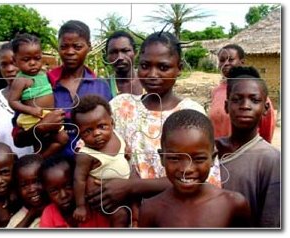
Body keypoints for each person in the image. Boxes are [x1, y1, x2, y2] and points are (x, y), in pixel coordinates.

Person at [86, 32, 221, 225]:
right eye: (145, 66)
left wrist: (132, 186)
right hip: (123, 216)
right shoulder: (119, 106)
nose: (152, 74)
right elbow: (91, 154)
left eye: (163, 67)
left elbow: (203, 177)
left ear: (179, 69)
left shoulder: (191, 112)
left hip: (175, 217)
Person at [12, 20, 112, 159]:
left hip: (92, 171)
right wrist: (41, 128)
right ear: (58, 47)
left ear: (88, 47)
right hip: (51, 172)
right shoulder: (39, 82)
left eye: (77, 46)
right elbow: (18, 139)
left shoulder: (101, 87)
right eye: (64, 46)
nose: (70, 52)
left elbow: (112, 130)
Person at [139, 109, 251, 227]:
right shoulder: (151, 209)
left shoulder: (233, 204)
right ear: (162, 158)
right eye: (175, 158)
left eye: (198, 159)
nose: (187, 169)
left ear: (212, 158)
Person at [215, 66, 280, 227]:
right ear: (226, 106)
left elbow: (270, 222)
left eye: (254, 100)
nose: (245, 105)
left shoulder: (272, 159)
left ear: (265, 108)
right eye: (237, 99)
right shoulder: (210, 150)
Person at [71, 95, 130, 227]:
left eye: (101, 126)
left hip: (125, 189)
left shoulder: (114, 134)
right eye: (88, 131)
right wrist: (80, 206)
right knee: (121, 215)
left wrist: (127, 149)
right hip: (103, 195)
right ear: (79, 134)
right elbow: (78, 180)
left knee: (138, 207)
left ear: (112, 123)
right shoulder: (86, 155)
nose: (97, 133)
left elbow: (122, 143)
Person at [9, 33, 69, 159]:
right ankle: (38, 160)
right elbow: (12, 101)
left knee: (62, 139)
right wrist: (32, 110)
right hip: (33, 118)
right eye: (26, 60)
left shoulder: (43, 74)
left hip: (48, 116)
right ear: (14, 60)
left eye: (37, 58)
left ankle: (40, 158)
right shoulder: (21, 80)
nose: (33, 63)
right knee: (50, 140)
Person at [208, 44, 275, 143]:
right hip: (219, 152)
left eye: (230, 59)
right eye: (222, 60)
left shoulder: (255, 92)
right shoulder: (216, 91)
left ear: (242, 62)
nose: (225, 64)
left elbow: (267, 128)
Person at [0, 42, 33, 157]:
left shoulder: (40, 97)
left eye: (14, 63)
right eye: (4, 65)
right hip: (3, 171)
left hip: (35, 170)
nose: (9, 69)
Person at [39, 155, 110, 228]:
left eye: (68, 186)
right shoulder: (50, 214)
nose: (63, 195)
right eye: (54, 191)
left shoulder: (95, 208)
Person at [6, 154, 47, 228]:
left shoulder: (61, 206)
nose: (32, 189)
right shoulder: (18, 219)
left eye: (37, 181)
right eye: (24, 185)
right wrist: (31, 215)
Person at [105, 31, 143, 96]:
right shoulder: (103, 87)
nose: (120, 57)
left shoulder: (150, 82)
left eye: (125, 51)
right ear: (107, 56)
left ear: (135, 53)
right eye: (113, 52)